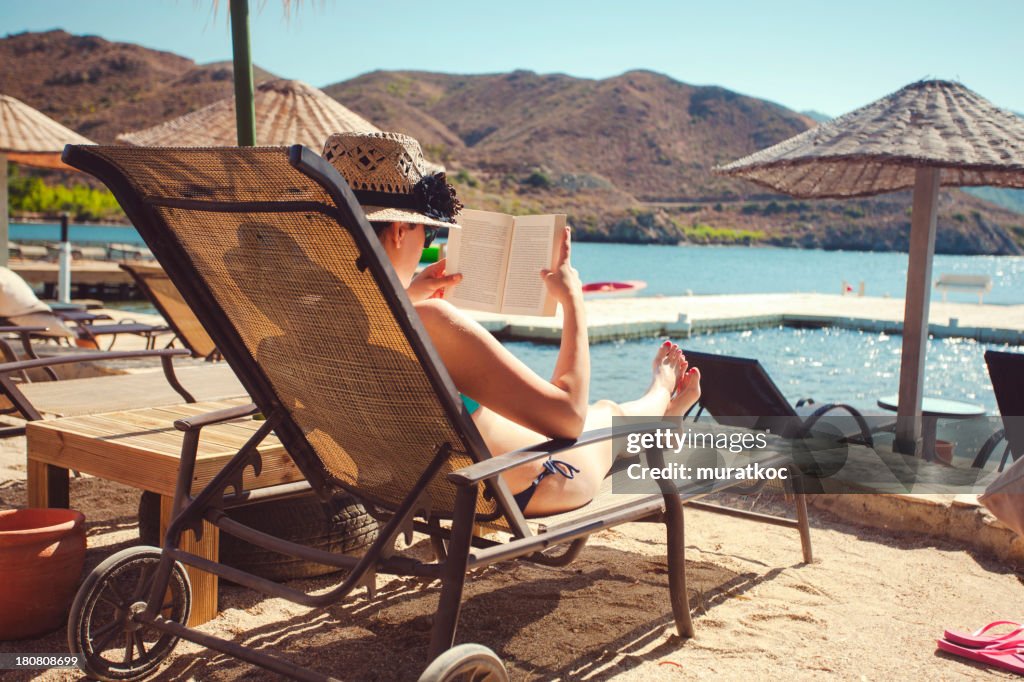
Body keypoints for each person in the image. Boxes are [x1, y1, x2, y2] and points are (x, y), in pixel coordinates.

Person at [323, 132, 701, 517]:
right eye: (429, 232)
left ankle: (660, 419)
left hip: (402, 488)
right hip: (529, 483)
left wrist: (406, 297)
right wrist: (574, 302)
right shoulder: (430, 323)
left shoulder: (318, 315)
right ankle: (661, 395)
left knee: (604, 414)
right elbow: (569, 419)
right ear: (401, 231)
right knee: (606, 413)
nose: (427, 246)